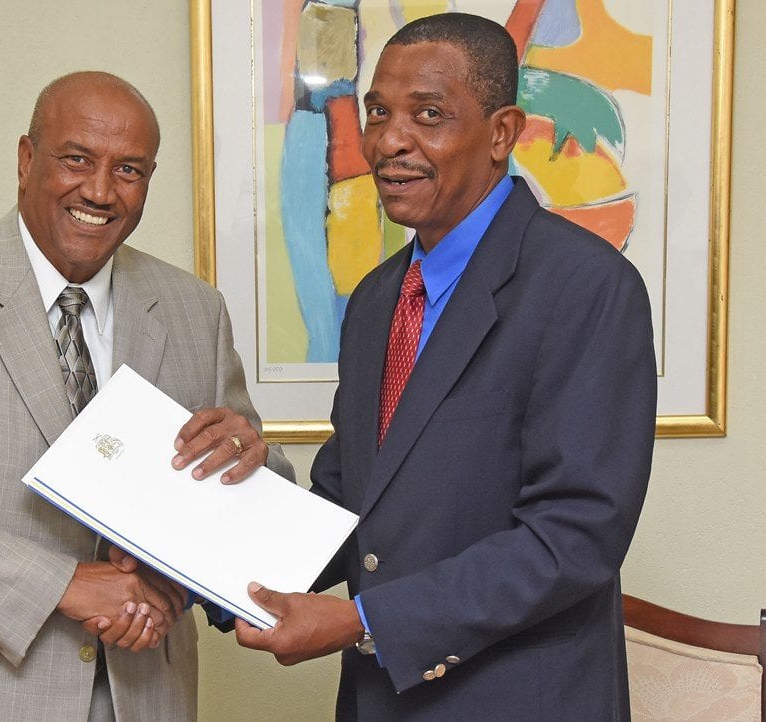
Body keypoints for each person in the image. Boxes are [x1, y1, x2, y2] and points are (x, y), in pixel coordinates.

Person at [0, 71, 292, 721]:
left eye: (129, 170)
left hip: (145, 694)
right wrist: (67, 586)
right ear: (26, 160)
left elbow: (248, 486)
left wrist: (248, 463)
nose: (100, 191)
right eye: (77, 159)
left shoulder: (195, 310)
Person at [233, 13, 656, 720]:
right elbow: (348, 500)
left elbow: (573, 538)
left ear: (502, 132)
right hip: (383, 702)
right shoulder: (374, 301)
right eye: (378, 112)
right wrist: (200, 533)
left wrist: (364, 623)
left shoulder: (587, 288)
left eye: (428, 115)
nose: (388, 141)